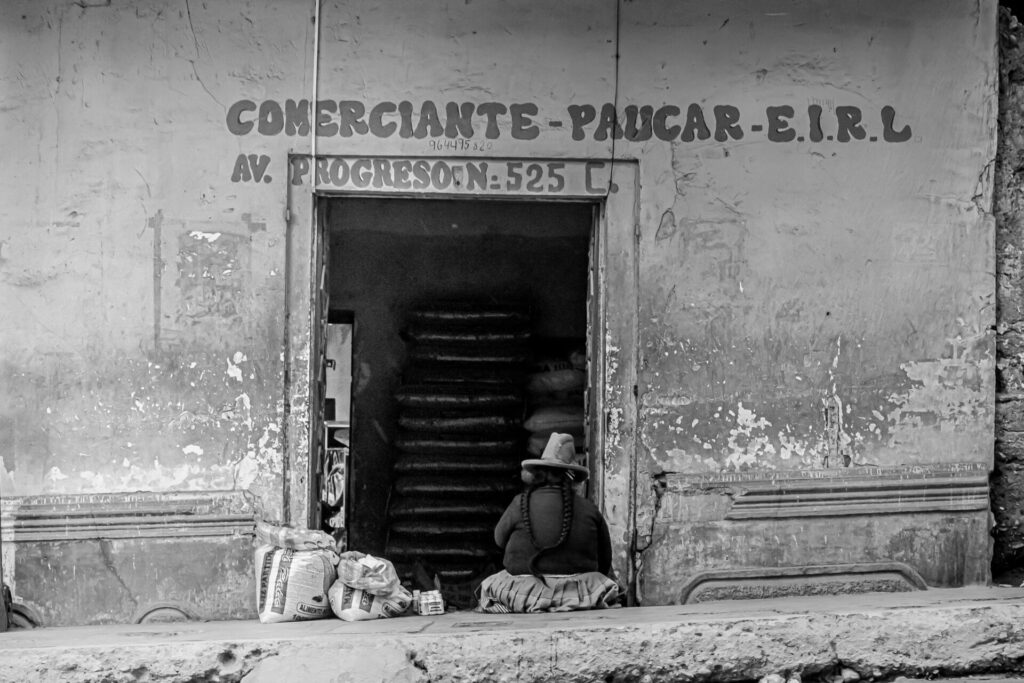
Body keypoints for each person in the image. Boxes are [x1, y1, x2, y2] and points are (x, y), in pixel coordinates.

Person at [476, 432, 622, 613]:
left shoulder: (519, 503)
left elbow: (499, 540)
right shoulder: (589, 508)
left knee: (490, 586)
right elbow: (604, 560)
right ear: (572, 478)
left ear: (537, 475)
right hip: (578, 595)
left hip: (522, 593)